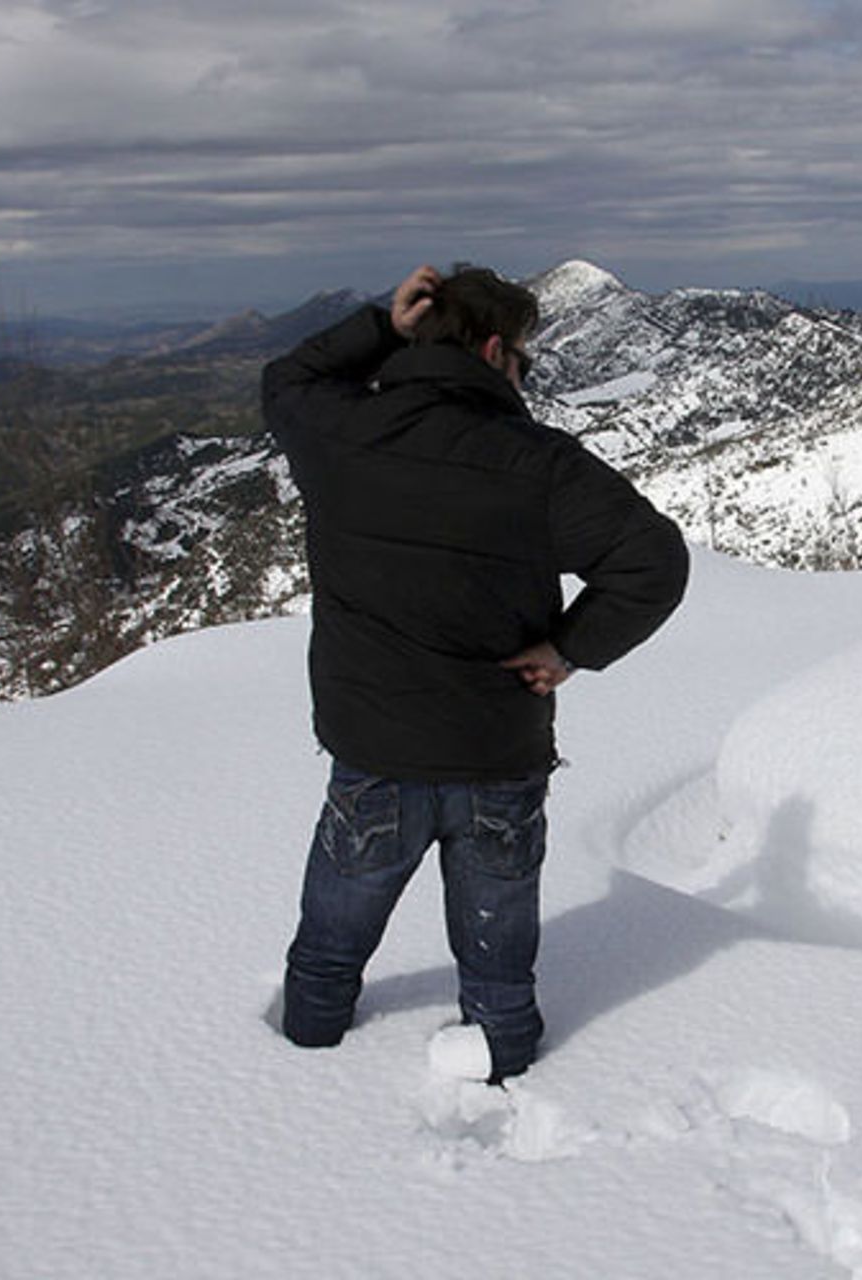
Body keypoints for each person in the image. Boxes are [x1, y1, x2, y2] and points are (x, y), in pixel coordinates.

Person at [262, 264, 689, 1084]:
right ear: (496, 351)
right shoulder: (540, 464)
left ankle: (295, 1074)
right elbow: (653, 561)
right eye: (525, 359)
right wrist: (570, 649)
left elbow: (286, 379)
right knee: (498, 970)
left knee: (327, 950)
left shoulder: (339, 431)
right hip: (498, 749)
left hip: (374, 751)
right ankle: (505, 1096)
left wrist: (382, 325)